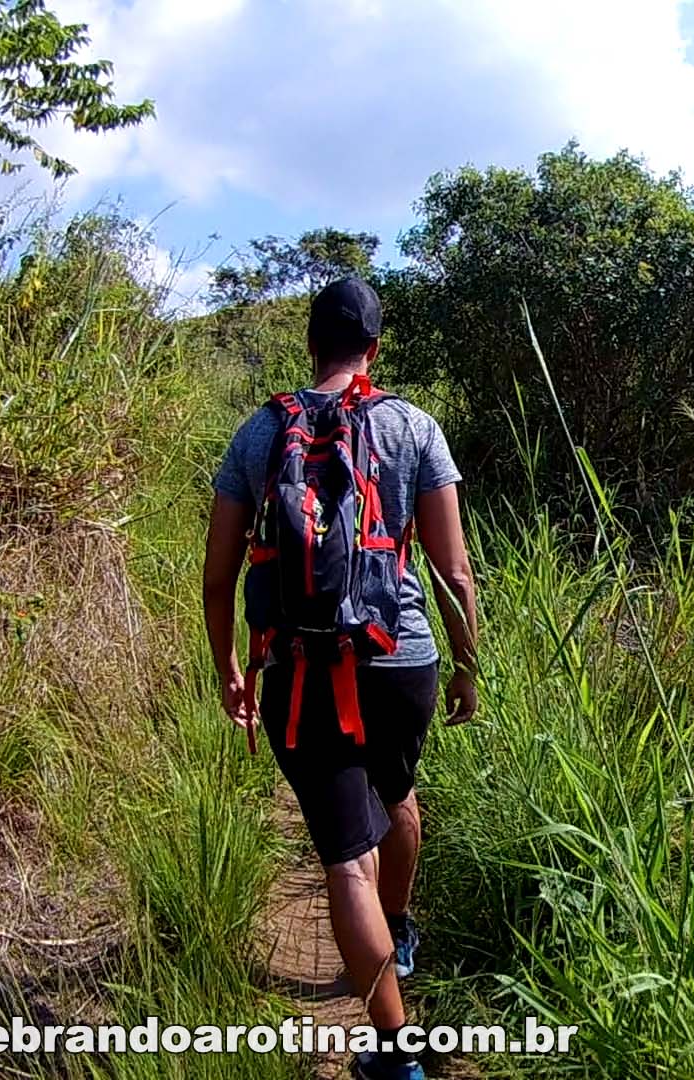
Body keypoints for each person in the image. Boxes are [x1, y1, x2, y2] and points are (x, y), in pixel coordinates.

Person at [202, 277, 480, 1080]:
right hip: (403, 662)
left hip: (301, 671)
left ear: (311, 344)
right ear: (375, 349)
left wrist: (229, 665)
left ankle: (392, 1056)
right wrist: (467, 669)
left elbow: (219, 572)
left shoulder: (260, 432)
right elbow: (452, 569)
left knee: (344, 859)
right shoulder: (413, 425)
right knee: (397, 800)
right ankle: (398, 934)